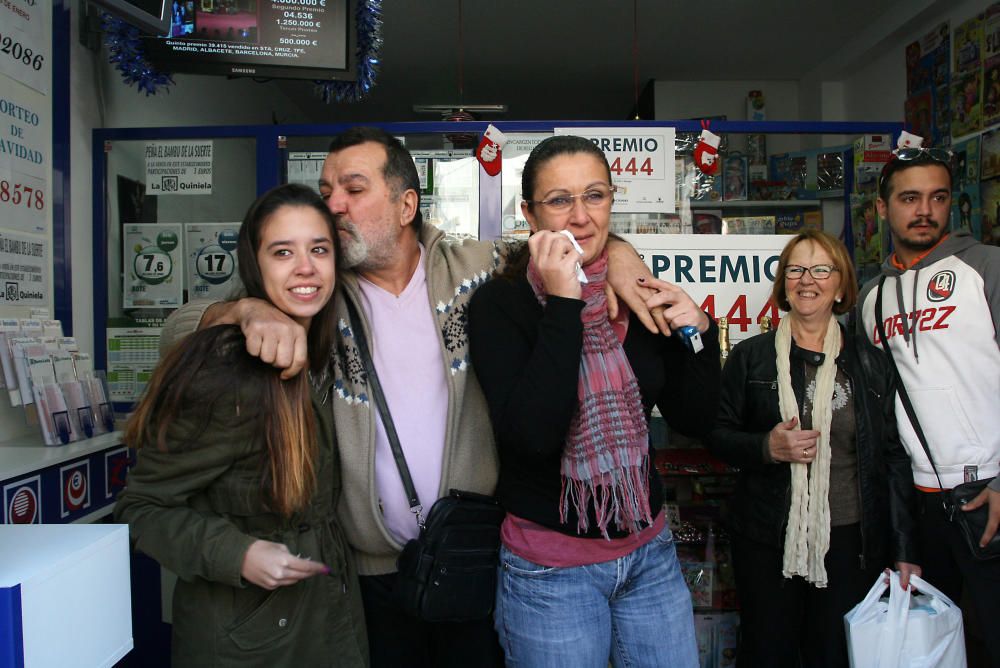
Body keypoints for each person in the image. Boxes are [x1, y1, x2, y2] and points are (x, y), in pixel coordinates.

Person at [159, 127, 662, 668]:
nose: (333, 205)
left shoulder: (477, 270)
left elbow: (570, 234)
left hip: (473, 558)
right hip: (372, 577)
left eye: (352, 189)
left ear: (405, 205)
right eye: (327, 191)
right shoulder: (316, 293)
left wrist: (623, 256)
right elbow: (176, 332)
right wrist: (245, 310)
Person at [468, 135, 721, 667]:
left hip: (649, 554)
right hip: (550, 571)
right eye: (560, 200)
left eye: (595, 196)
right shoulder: (501, 304)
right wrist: (565, 303)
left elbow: (693, 417)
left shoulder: (633, 288)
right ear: (528, 213)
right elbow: (534, 438)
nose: (581, 217)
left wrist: (700, 331)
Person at [114, 184, 368, 667]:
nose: (305, 267)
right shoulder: (228, 371)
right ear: (254, 263)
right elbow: (141, 508)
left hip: (325, 612)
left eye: (319, 249)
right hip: (245, 636)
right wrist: (237, 554)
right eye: (282, 252)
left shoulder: (323, 350)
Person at [708, 229, 920, 668]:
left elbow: (893, 458)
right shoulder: (751, 357)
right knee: (768, 653)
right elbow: (718, 435)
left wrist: (904, 550)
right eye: (796, 269)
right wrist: (767, 447)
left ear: (841, 284)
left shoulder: (869, 362)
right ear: (784, 283)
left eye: (822, 269)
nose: (808, 279)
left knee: (835, 653)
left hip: (849, 542)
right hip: (768, 538)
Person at [857, 145, 1000, 666]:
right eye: (909, 198)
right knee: (937, 649)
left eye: (937, 198)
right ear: (882, 208)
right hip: (920, 505)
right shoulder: (871, 298)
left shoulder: (985, 266)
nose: (924, 210)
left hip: (987, 491)